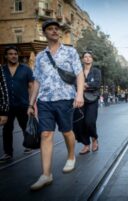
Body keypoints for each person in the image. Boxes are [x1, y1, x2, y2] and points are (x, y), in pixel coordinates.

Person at [27, 19, 84, 190]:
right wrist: (31, 103)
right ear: (44, 33)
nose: (53, 31)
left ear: (59, 32)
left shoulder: (70, 52)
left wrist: (79, 94)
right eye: (49, 29)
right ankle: (46, 174)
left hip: (65, 98)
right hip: (44, 100)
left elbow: (79, 74)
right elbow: (37, 81)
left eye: (56, 29)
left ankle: (71, 156)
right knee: (45, 134)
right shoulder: (40, 56)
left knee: (67, 131)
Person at [0, 46, 34, 163]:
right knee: (7, 129)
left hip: (23, 104)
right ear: (6, 56)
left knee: (25, 126)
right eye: (10, 54)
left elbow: (31, 87)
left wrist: (31, 104)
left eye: (15, 53)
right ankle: (8, 153)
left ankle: (28, 145)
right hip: (7, 106)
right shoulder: (1, 70)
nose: (13, 56)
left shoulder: (26, 69)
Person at [73, 51, 101, 155]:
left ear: (92, 59)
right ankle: (86, 144)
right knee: (80, 123)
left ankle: (94, 138)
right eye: (85, 57)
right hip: (80, 100)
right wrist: (83, 85)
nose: (87, 58)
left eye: (89, 56)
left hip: (92, 99)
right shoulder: (78, 71)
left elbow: (97, 84)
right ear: (83, 59)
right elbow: (74, 84)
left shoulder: (96, 71)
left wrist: (84, 84)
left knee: (89, 122)